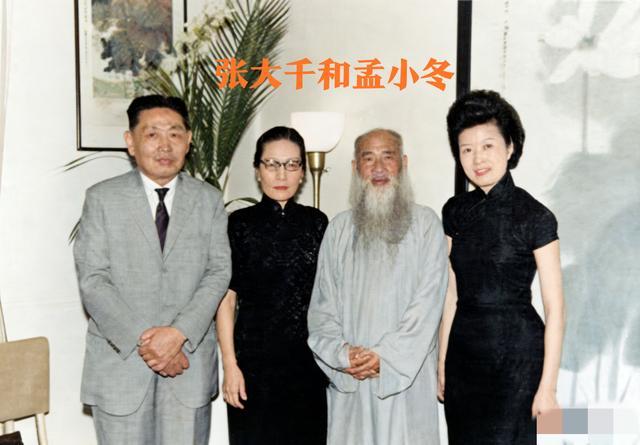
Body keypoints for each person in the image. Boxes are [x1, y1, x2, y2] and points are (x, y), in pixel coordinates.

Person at [73, 95, 231, 445]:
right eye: (152, 134)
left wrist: (177, 335)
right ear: (130, 142)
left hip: (187, 364)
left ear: (188, 141)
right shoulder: (102, 199)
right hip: (121, 367)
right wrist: (150, 344)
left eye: (174, 134)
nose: (165, 145)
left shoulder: (208, 200)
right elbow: (93, 280)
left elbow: (218, 272)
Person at [438, 90, 565, 444]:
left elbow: (556, 309)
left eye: (488, 145)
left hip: (517, 360)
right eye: (466, 149)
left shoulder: (536, 216)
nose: (477, 158)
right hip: (464, 357)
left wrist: (548, 388)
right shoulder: (454, 212)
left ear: (510, 147)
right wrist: (442, 362)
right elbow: (451, 294)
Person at [307, 128, 448, 445]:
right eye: (368, 158)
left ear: (404, 163)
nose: (379, 168)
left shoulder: (426, 225)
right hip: (352, 379)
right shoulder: (338, 229)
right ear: (355, 167)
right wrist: (343, 355)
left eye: (388, 156)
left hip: (405, 379)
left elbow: (428, 305)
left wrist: (386, 356)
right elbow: (321, 308)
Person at [216, 126, 329, 445]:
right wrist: (230, 365)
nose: (282, 174)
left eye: (292, 164)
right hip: (252, 368)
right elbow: (226, 299)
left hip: (307, 368)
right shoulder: (238, 224)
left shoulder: (318, 224)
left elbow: (330, 297)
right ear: (257, 169)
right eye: (272, 164)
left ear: (303, 172)